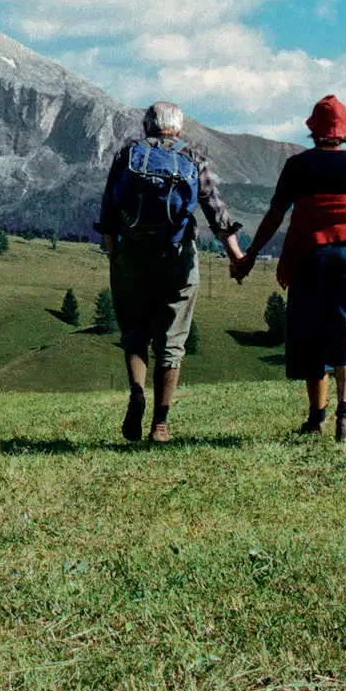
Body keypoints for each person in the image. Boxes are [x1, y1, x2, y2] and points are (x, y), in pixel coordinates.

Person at [230, 95, 346, 442]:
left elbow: (275, 216)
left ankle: (316, 418)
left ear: (313, 130)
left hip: (311, 257)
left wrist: (250, 254)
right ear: (344, 133)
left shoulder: (297, 166)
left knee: (312, 335)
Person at [98, 102, 244, 443]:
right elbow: (215, 209)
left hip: (132, 252)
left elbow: (108, 207)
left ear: (147, 126)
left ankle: (137, 392)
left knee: (134, 331)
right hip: (176, 256)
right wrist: (236, 256)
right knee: (172, 339)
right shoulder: (192, 155)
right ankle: (160, 424)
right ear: (177, 128)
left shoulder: (128, 154)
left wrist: (113, 252)